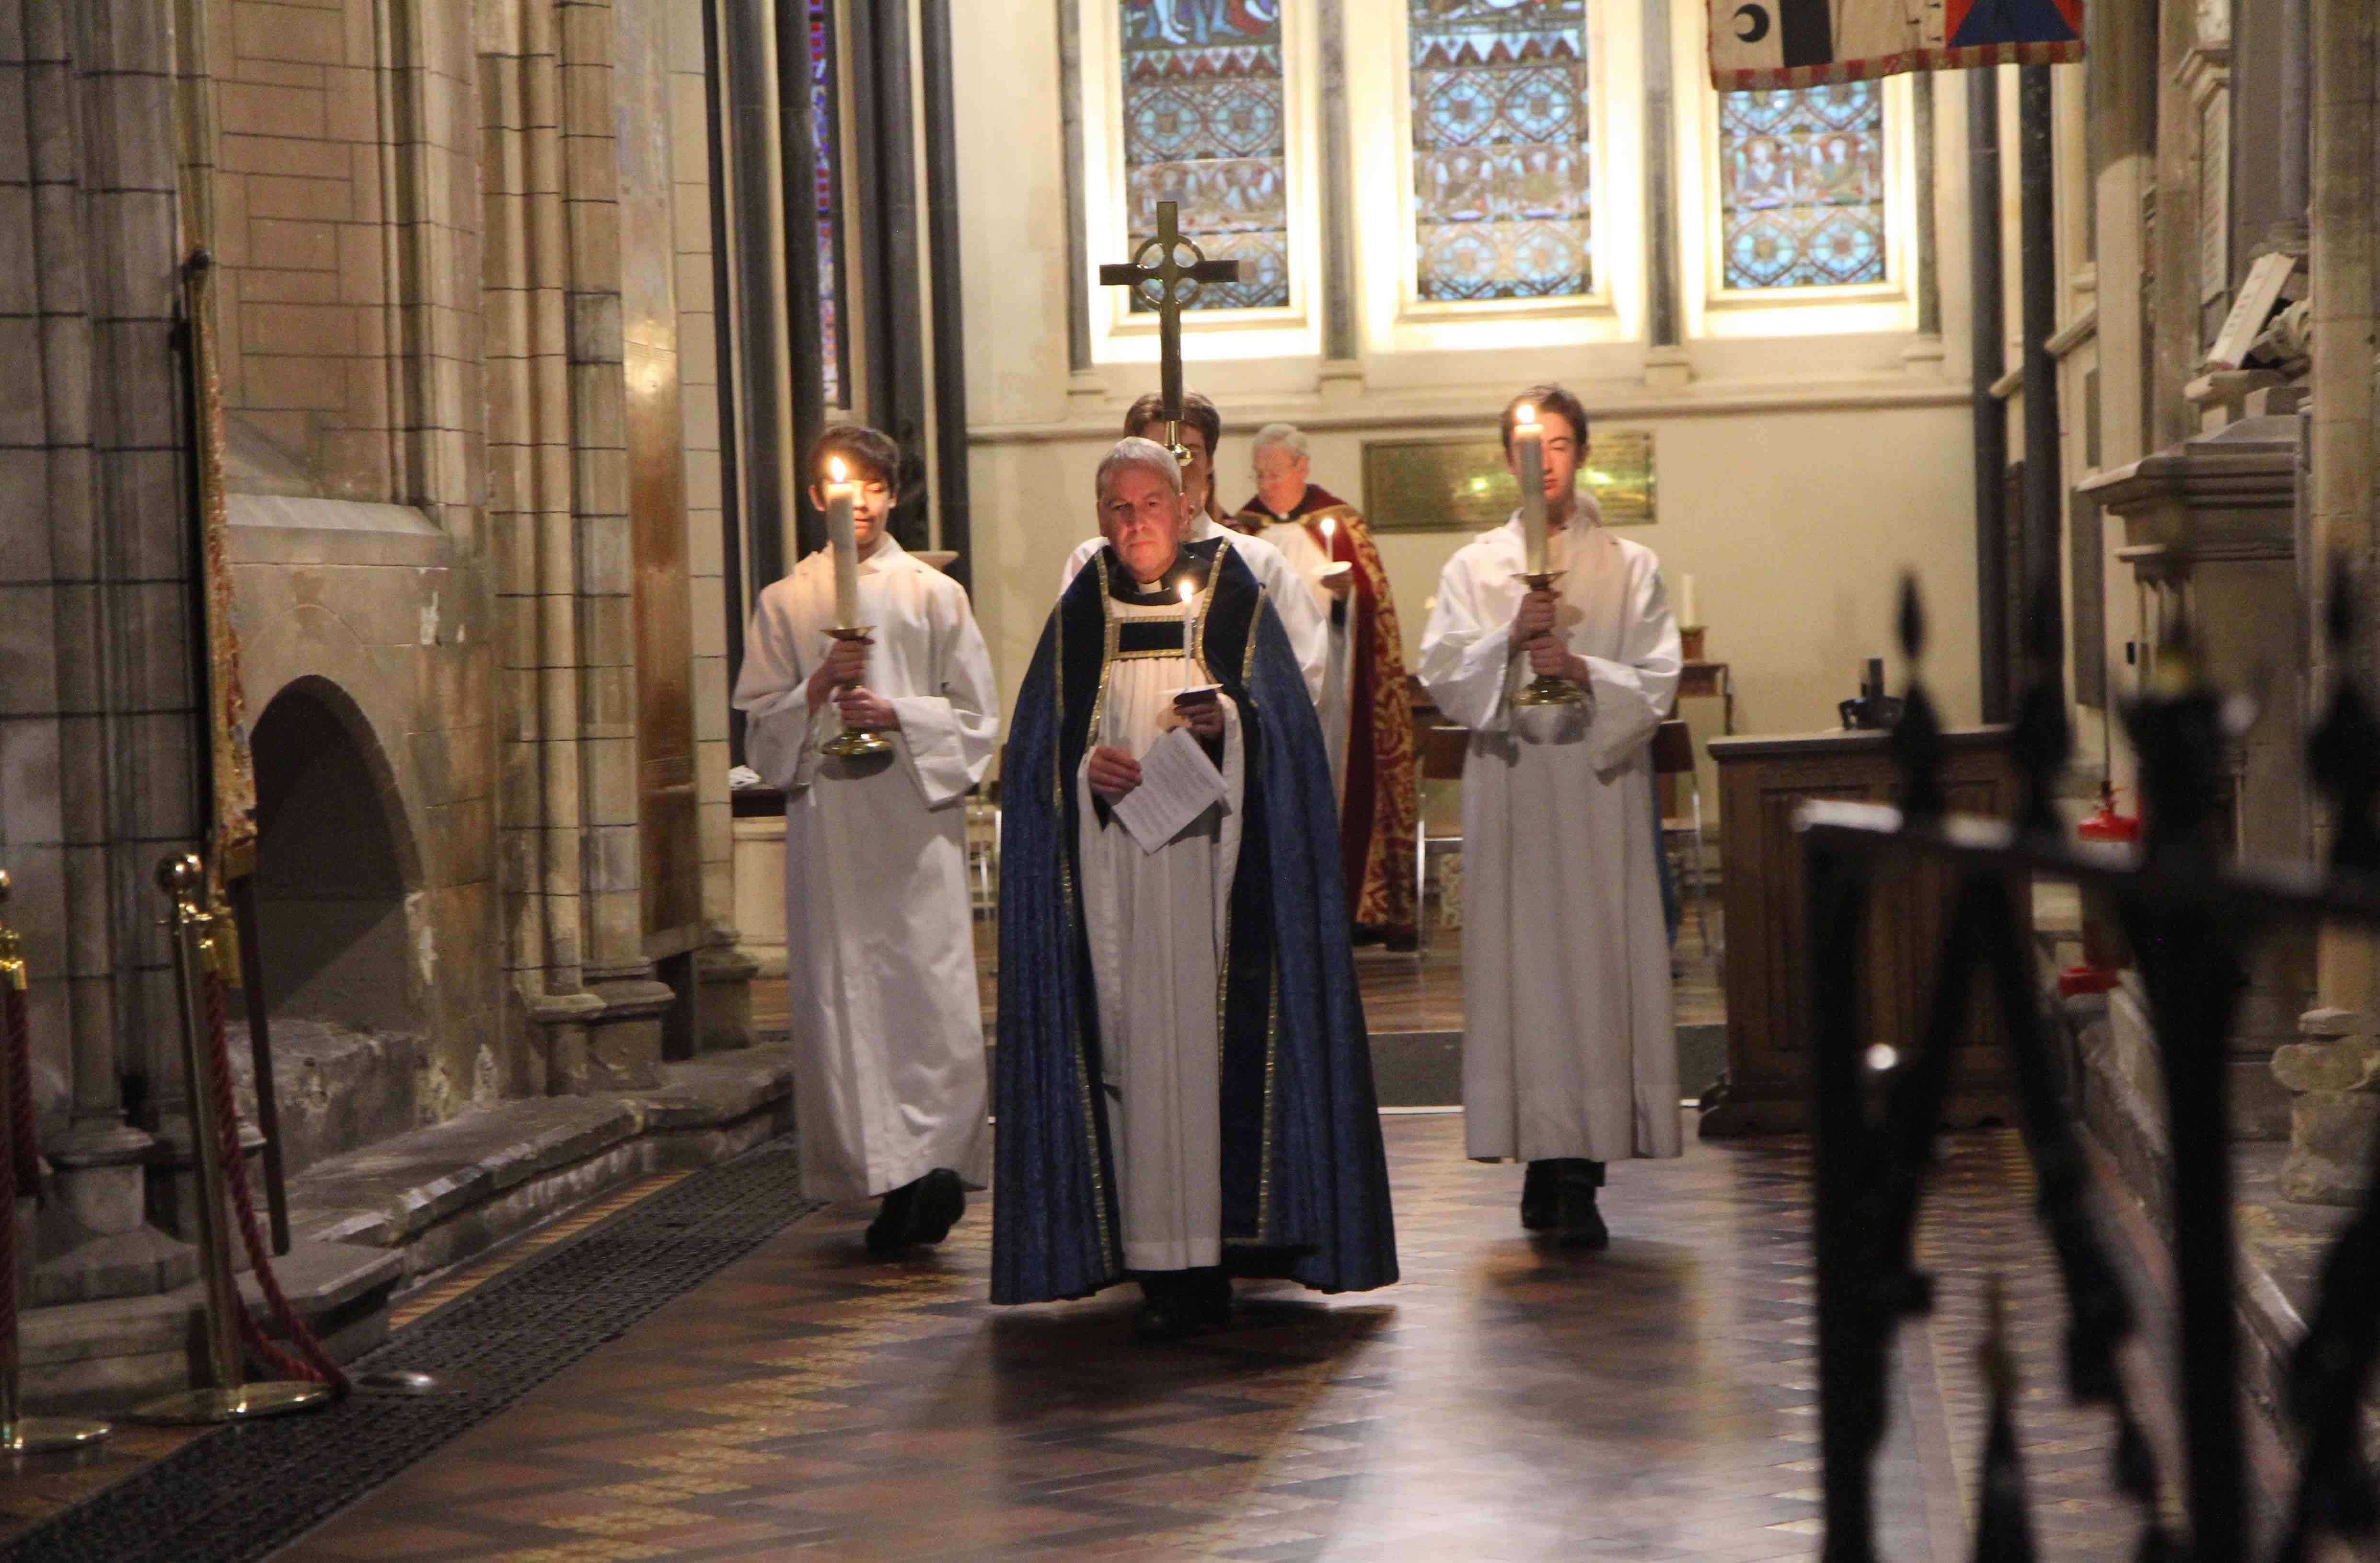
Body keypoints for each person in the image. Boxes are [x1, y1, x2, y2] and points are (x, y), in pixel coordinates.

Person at [993, 437, 1398, 1339]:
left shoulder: (1236, 595)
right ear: (1099, 516)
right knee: (1129, 1056)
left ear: (1184, 508)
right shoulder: (1082, 608)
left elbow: (1289, 736)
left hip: (1214, 880)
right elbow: (1034, 752)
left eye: (1149, 505)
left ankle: (1215, 1254)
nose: (1134, 524)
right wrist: (1077, 770)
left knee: (1206, 1059)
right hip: (1114, 885)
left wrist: (1233, 726)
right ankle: (1145, 1256)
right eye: (1116, 508)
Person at [1415, 385, 1683, 1248]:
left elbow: (1655, 681)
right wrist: (1508, 640)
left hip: (1597, 794)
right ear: (1510, 462)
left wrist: (1578, 664)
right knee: (1527, 973)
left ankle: (1586, 1165)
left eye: (1564, 444)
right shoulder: (1473, 570)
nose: (1551, 460)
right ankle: (1539, 1158)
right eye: (1537, 447)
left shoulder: (1629, 566)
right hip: (1518, 788)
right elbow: (1445, 680)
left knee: (1598, 967)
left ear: (1582, 452)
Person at [731, 425, 996, 1253]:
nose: (864, 502)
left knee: (929, 994)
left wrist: (899, 715)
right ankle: (888, 1178)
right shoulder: (785, 602)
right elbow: (762, 740)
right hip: (836, 832)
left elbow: (980, 719)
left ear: (891, 494)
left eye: (878, 487)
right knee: (850, 1000)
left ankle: (938, 1163)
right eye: (847, 488)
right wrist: (818, 687)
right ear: (819, 498)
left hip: (916, 831)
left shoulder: (933, 595)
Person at [1234, 423, 1419, 949]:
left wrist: (1346, 598)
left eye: (1276, 472)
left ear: (1302, 468)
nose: (1268, 484)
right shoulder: (1243, 530)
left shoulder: (1341, 523)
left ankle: (1347, 903)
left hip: (1335, 696)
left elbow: (1371, 613)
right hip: (1266, 690)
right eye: (1261, 474)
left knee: (1335, 783)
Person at [1057, 393, 1331, 703]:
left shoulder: (1256, 562)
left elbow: (1304, 678)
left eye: (1190, 453)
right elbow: (1066, 679)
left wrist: (1232, 724)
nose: (1175, 467)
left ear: (1211, 462)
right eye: (1155, 455)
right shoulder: (1093, 564)